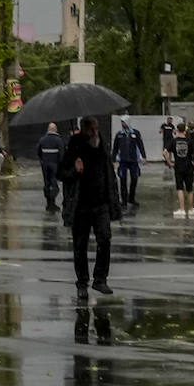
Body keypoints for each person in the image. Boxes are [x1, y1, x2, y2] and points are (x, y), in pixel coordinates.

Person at [57, 116, 121, 296]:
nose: (94, 132)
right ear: (83, 129)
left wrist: (113, 200)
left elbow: (109, 173)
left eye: (96, 128)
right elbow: (61, 173)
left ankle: (100, 279)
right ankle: (82, 283)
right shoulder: (75, 146)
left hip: (101, 203)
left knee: (105, 239)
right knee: (80, 245)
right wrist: (75, 171)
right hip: (80, 205)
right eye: (91, 129)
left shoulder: (102, 145)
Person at [164, 121, 194, 218]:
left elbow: (164, 152)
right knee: (190, 189)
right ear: (185, 130)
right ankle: (191, 209)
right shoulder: (189, 141)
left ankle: (182, 209)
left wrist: (169, 162)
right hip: (189, 166)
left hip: (178, 166)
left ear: (176, 130)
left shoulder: (173, 141)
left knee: (180, 188)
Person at [111, 115, 147, 206]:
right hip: (123, 160)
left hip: (133, 160)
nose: (122, 124)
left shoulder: (135, 133)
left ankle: (131, 198)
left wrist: (144, 157)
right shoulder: (119, 134)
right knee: (123, 180)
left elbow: (140, 145)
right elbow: (115, 148)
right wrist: (113, 159)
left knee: (134, 179)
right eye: (121, 122)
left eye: (124, 122)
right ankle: (124, 200)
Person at [36, 122, 66, 212]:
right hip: (55, 164)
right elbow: (62, 154)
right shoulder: (58, 140)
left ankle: (48, 202)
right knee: (54, 183)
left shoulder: (42, 139)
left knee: (47, 183)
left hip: (45, 164)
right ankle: (52, 201)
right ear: (55, 129)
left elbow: (38, 152)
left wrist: (42, 160)